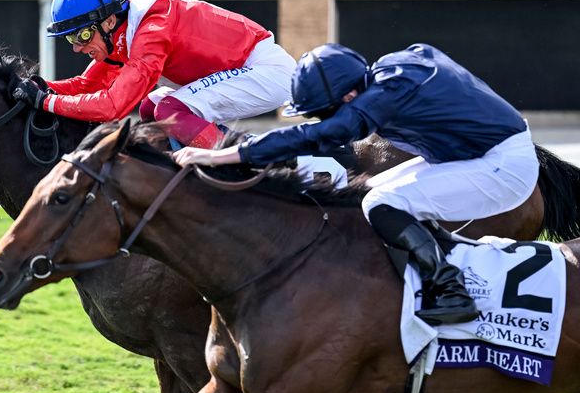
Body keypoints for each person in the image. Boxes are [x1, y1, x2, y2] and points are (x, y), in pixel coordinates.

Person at [173, 42, 539, 326]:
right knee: (366, 198)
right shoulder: (393, 71)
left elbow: (319, 135)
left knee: (383, 205)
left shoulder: (388, 91)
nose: (323, 118)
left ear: (349, 96)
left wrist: (221, 155)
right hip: (478, 155)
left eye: (325, 111)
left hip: (504, 167)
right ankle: (413, 284)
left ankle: (452, 293)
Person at [11, 0, 296, 149]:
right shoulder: (124, 31)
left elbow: (113, 106)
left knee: (169, 107)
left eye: (83, 35)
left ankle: (243, 164)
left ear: (109, 21)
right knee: (152, 107)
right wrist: (43, 87)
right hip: (246, 68)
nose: (77, 48)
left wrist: (46, 102)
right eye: (71, 39)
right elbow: (89, 85)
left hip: (264, 70)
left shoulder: (152, 30)